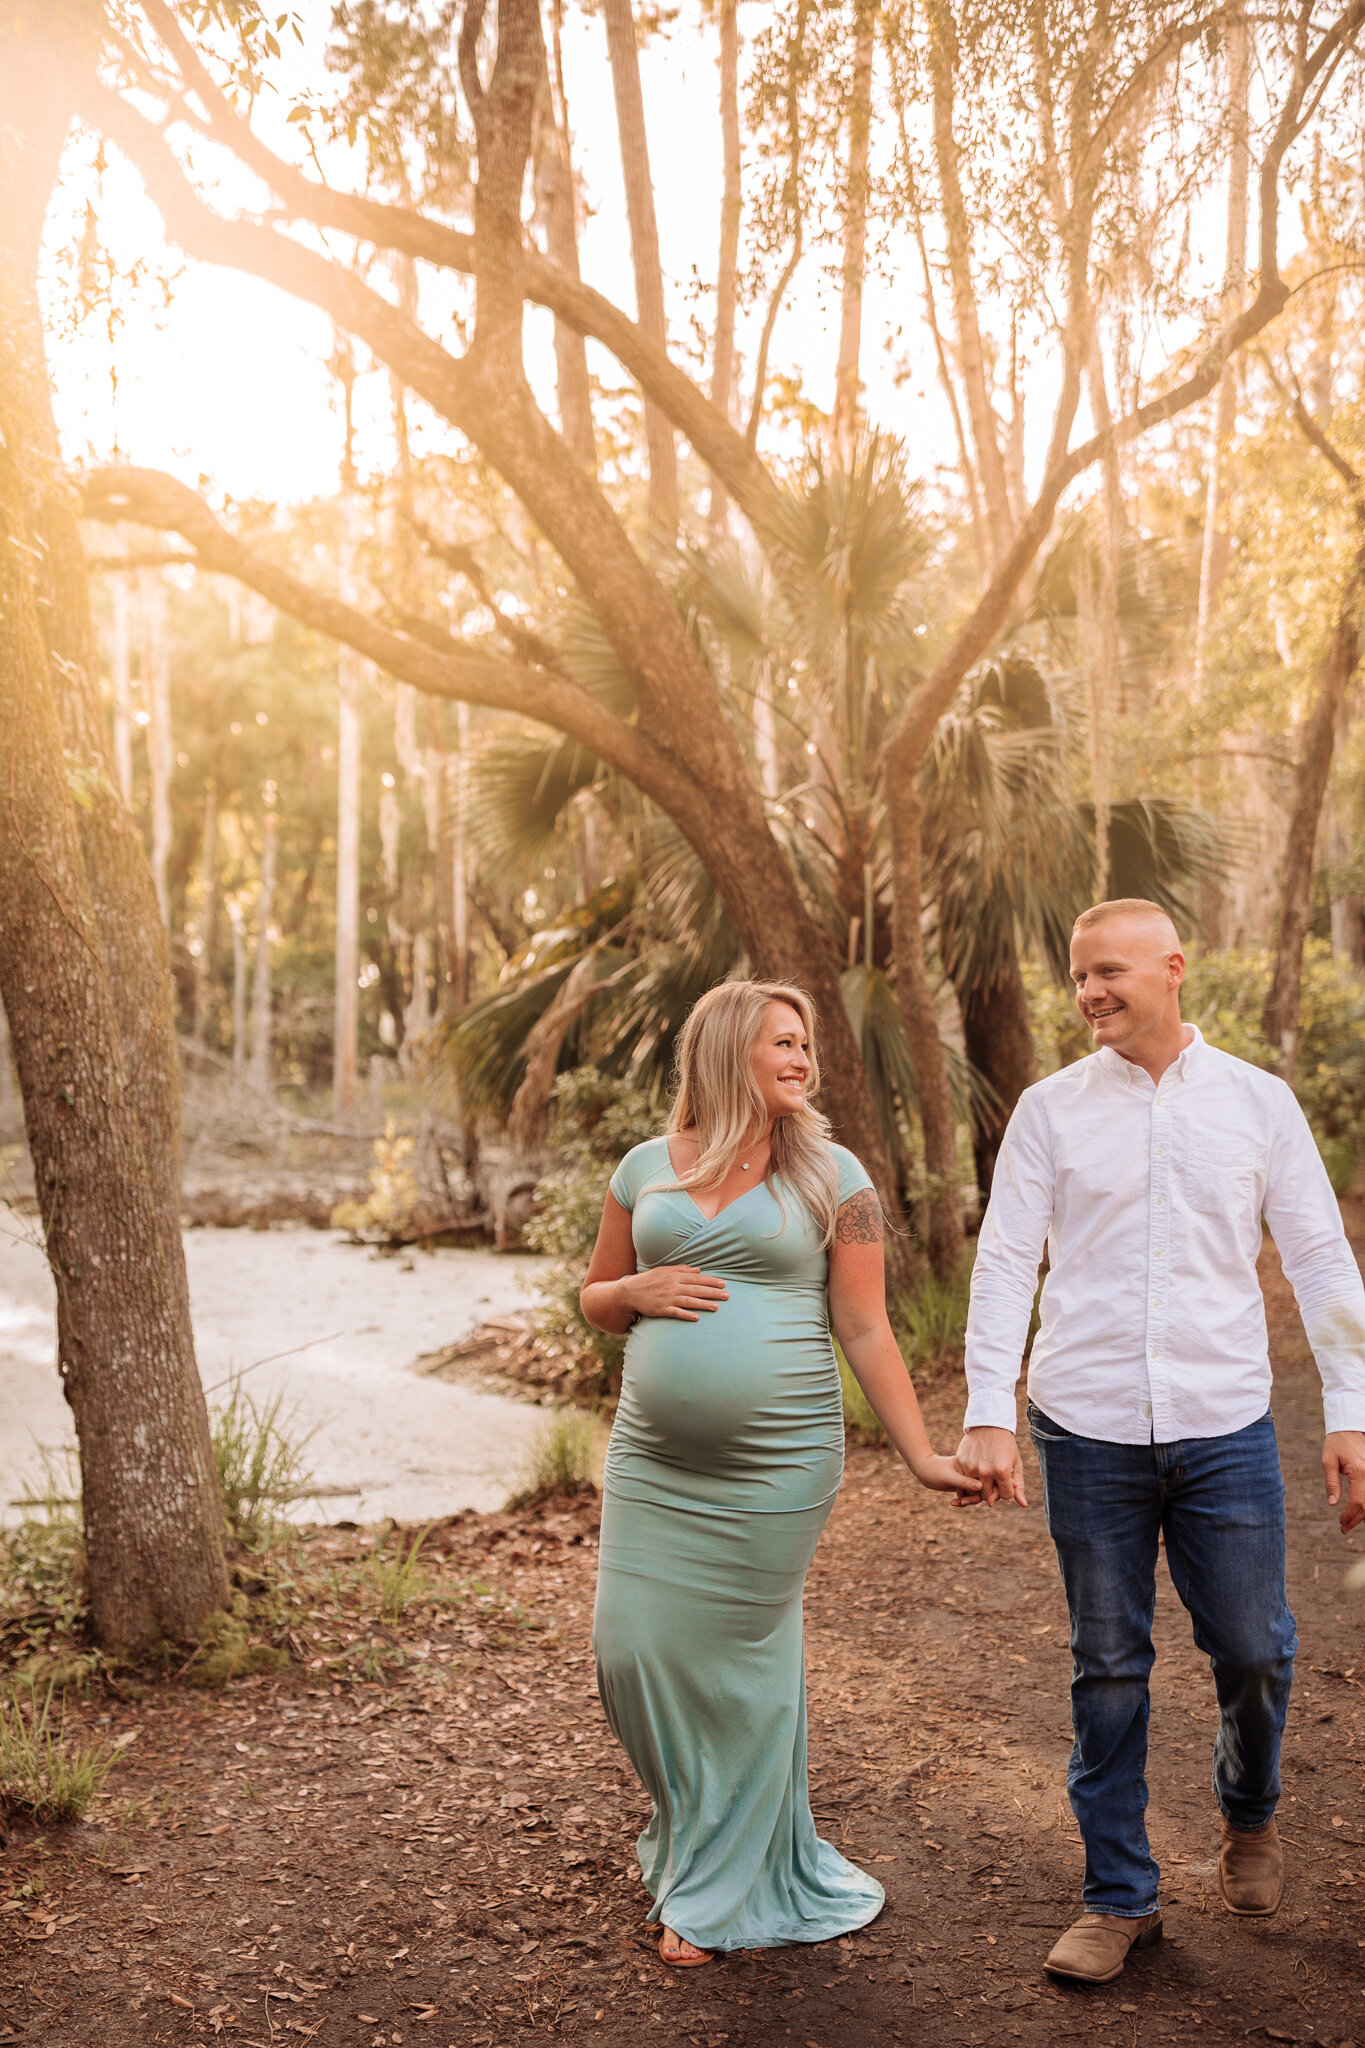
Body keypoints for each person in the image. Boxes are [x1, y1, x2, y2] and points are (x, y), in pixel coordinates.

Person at [955, 898, 1365, 1984]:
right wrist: (987, 1404)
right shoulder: (1049, 1111)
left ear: (1173, 967)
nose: (1087, 989)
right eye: (1078, 973)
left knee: (1254, 1646)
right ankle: (1119, 1894)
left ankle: (1250, 1807)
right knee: (1108, 1667)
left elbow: (1320, 1259)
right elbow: (1005, 1261)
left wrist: (1349, 1408)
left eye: (1107, 969)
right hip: (1085, 1425)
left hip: (1224, 1423)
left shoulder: (1258, 1104)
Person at [581, 979, 976, 1965]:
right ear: (724, 1053)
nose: (802, 1059)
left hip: (778, 1461)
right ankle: (697, 1825)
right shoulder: (642, 1170)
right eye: (783, 1043)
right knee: (627, 1654)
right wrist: (633, 1287)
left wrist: (923, 1450)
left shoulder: (840, 1179)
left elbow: (865, 1322)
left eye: (805, 1045)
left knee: (748, 1673)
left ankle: (717, 1889)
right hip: (651, 1461)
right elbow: (594, 1297)